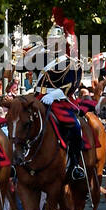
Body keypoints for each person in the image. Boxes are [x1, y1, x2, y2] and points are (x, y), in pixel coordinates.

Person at [37, 10, 88, 181]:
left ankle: (75, 163)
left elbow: (71, 85)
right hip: (38, 97)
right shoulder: (41, 58)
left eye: (54, 40)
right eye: (49, 39)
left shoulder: (70, 62)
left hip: (58, 100)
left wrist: (54, 95)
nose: (50, 42)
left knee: (74, 126)